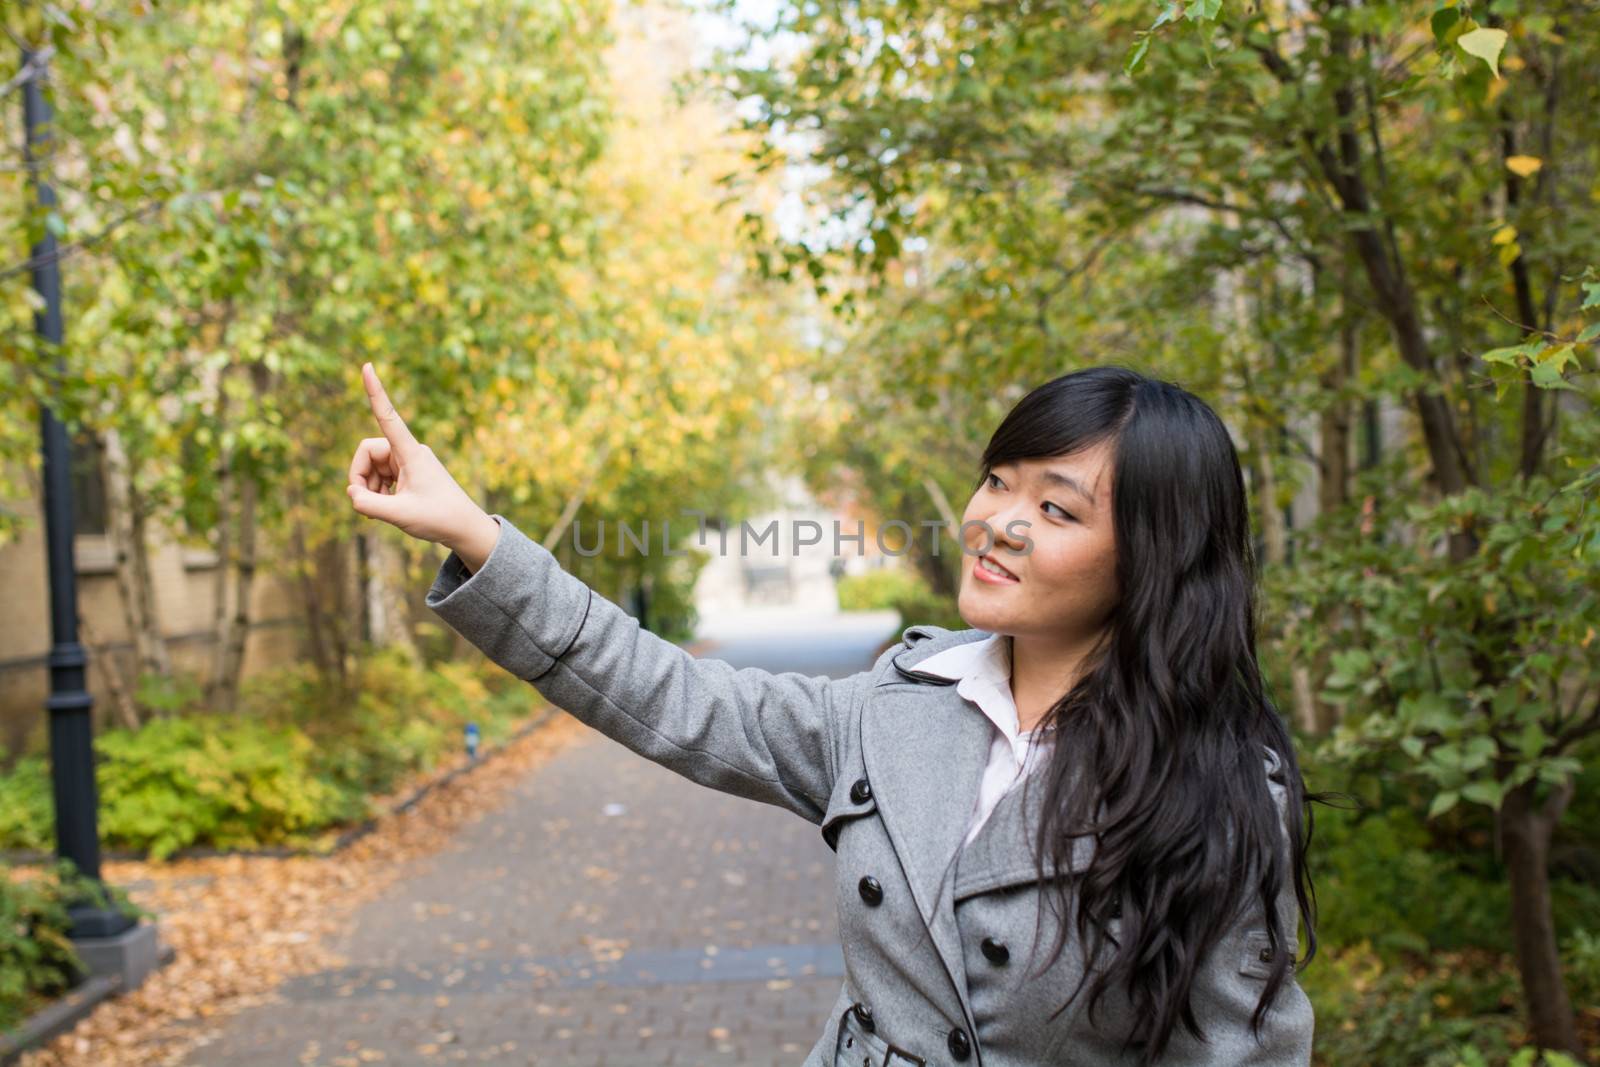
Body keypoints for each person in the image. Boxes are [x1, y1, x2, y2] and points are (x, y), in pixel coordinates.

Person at [347, 361, 1320, 1066]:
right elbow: (666, 689)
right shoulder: (895, 708)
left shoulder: (1221, 794)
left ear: (1155, 553)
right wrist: (472, 531)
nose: (996, 522)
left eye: (1056, 510)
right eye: (996, 482)